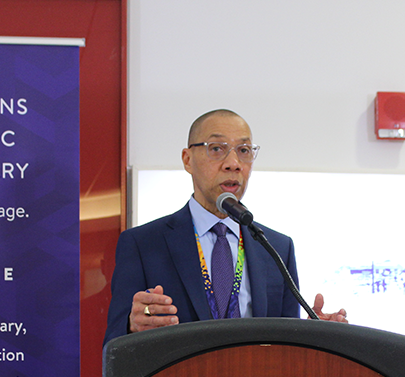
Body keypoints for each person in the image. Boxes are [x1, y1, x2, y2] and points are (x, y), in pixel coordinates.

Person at [103, 109, 345, 345]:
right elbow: (114, 344)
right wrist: (132, 325)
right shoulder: (143, 244)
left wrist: (314, 334)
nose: (234, 163)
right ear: (188, 160)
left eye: (244, 151)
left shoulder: (277, 248)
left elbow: (284, 347)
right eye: (217, 149)